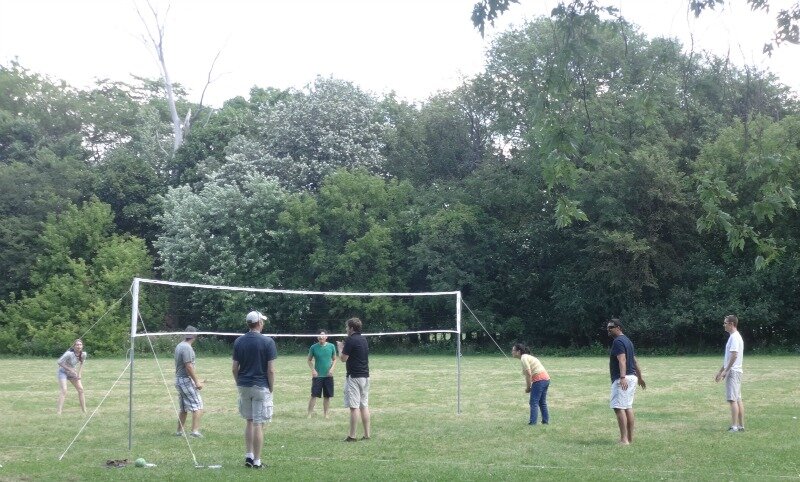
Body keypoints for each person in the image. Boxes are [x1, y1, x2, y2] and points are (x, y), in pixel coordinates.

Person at [232, 311, 277, 469]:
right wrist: (271, 387)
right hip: (260, 385)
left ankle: (249, 455)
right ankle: (257, 461)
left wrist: (240, 383)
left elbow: (234, 368)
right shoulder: (268, 342)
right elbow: (270, 370)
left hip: (244, 385)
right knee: (258, 423)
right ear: (259, 323)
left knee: (249, 421)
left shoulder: (239, 341)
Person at [606, 318, 646, 445]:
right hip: (632, 377)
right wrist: (639, 377)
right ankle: (629, 438)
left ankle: (624, 440)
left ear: (619, 328)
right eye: (607, 328)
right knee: (628, 406)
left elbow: (622, 360)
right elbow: (634, 361)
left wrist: (622, 377)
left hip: (623, 378)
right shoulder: (627, 341)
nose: (609, 330)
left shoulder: (618, 341)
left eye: (611, 327)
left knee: (619, 408)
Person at [336, 317, 370, 441]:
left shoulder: (350, 340)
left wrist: (340, 347)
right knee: (364, 406)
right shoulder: (363, 339)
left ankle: (352, 436)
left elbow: (343, 358)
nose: (346, 329)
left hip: (354, 377)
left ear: (351, 328)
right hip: (365, 376)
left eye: (347, 327)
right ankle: (367, 435)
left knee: (354, 407)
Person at [715, 314, 745, 432]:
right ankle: (741, 426)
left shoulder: (734, 337)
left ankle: (734, 427)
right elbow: (729, 358)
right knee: (737, 399)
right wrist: (720, 371)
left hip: (733, 372)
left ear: (731, 324)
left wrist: (726, 371)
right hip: (735, 371)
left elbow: (734, 355)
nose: (724, 325)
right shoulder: (735, 337)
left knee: (733, 400)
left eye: (725, 323)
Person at [174, 325, 204, 437]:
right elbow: (188, 366)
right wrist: (197, 382)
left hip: (179, 380)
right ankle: (195, 432)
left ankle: (179, 431)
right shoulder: (187, 348)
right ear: (194, 336)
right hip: (185, 380)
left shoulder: (179, 345)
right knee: (198, 405)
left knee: (184, 408)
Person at [511, 343, 550, 425]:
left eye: (513, 350)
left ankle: (533, 423)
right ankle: (545, 421)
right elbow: (528, 374)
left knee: (533, 402)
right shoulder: (526, 357)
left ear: (518, 351)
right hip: (546, 379)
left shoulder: (523, 358)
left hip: (539, 380)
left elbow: (528, 374)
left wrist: (528, 388)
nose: (512, 352)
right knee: (542, 402)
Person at [307, 329, 338, 418]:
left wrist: (332, 369)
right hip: (318, 376)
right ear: (318, 337)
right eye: (320, 336)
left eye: (323, 335)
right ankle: (309, 414)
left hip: (328, 375)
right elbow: (309, 360)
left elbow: (335, 359)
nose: (321, 337)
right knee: (314, 395)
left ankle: (326, 414)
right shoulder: (313, 347)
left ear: (326, 337)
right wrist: (313, 370)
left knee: (327, 396)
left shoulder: (331, 346)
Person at [56, 339, 87, 414]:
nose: (79, 346)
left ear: (82, 346)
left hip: (72, 373)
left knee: (81, 390)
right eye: (77, 345)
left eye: (80, 345)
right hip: (63, 371)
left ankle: (84, 411)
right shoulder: (69, 354)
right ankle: (59, 412)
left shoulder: (83, 354)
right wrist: (69, 369)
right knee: (64, 390)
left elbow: (81, 363)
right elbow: (59, 362)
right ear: (74, 346)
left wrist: (79, 374)